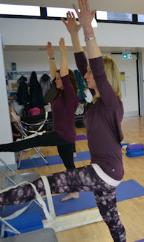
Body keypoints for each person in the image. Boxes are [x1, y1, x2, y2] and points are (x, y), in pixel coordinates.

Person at [1, 0, 126, 241]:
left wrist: (89, 31)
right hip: (108, 173)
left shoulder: (112, 103)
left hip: (103, 172)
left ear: (105, 79)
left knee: (44, 184)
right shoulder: (94, 102)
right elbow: (83, 65)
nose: (87, 74)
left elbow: (97, 69)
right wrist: (74, 35)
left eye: (91, 73)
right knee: (110, 217)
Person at [0, 39, 79, 201]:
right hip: (64, 136)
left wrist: (63, 52)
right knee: (69, 165)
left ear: (67, 82)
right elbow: (55, 74)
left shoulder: (70, 96)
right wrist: (51, 57)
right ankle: (75, 191)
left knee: (30, 141)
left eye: (58, 79)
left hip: (62, 135)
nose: (55, 80)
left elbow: (62, 74)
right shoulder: (58, 94)